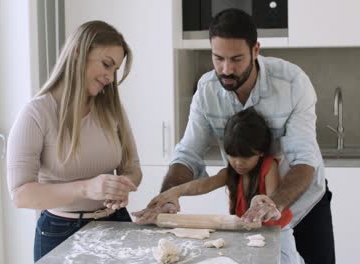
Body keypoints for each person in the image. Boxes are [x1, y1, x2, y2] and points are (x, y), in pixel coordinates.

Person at [133, 9, 335, 264]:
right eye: (218, 58)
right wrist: (168, 196)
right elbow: (188, 155)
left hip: (304, 204)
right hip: (250, 216)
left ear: (256, 50)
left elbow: (304, 162)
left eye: (237, 59)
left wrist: (273, 203)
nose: (226, 69)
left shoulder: (292, 83)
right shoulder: (206, 91)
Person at [6, 20, 142, 262]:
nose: (110, 77)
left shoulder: (112, 109)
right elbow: (21, 194)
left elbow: (132, 168)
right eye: (106, 64)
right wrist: (87, 187)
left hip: (116, 224)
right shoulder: (36, 113)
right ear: (79, 52)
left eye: (115, 70)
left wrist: (122, 185)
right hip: (60, 232)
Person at [145, 107, 304, 263]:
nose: (238, 163)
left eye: (246, 157)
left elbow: (272, 200)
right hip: (249, 231)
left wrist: (261, 200)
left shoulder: (269, 167)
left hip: (277, 231)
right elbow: (205, 185)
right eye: (232, 156)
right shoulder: (231, 172)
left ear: (261, 152)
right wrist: (175, 191)